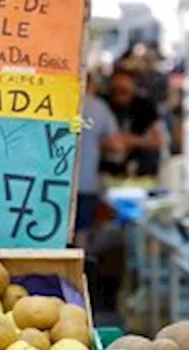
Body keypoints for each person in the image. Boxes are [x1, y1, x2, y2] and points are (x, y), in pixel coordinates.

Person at [74, 75, 124, 247]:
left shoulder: (55, 101)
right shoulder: (98, 108)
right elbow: (116, 146)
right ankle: (78, 273)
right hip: (85, 184)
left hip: (52, 184)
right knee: (81, 239)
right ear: (92, 85)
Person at [102, 69, 166, 178]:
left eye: (123, 91)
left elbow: (158, 141)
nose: (118, 96)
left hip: (139, 169)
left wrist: (130, 140)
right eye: (114, 91)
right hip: (107, 170)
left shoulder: (144, 106)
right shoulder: (103, 104)